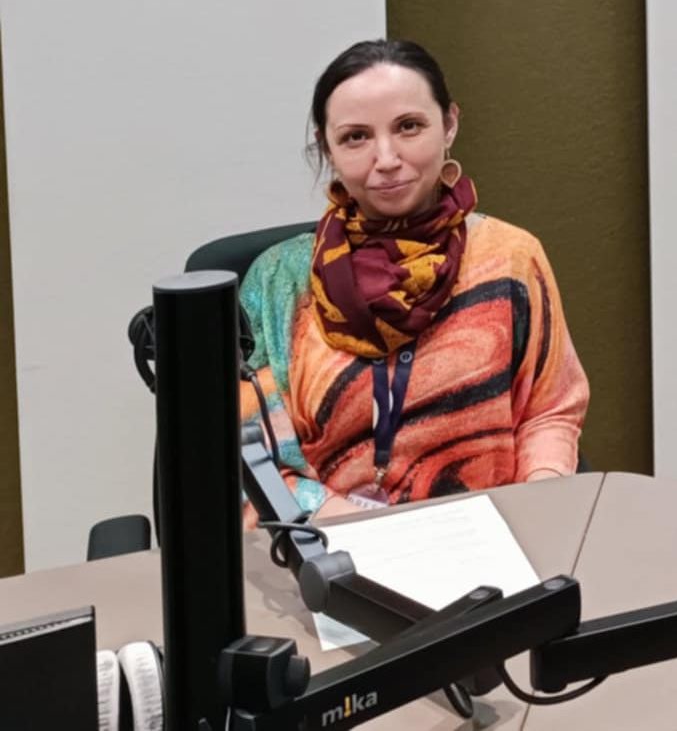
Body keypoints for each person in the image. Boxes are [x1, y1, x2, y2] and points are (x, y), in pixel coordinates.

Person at [239, 39, 589, 523]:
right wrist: (361, 532)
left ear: (450, 124)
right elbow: (254, 454)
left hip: (494, 532)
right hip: (329, 543)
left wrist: (539, 507)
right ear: (327, 148)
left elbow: (549, 411)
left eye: (408, 127)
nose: (386, 158)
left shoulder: (509, 258)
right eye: (356, 137)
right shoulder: (279, 280)